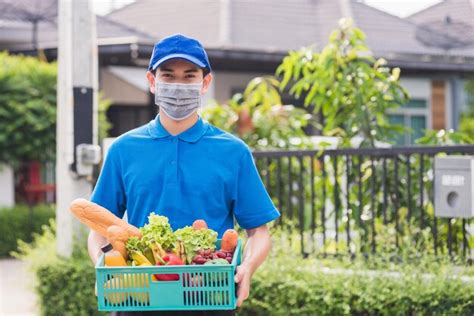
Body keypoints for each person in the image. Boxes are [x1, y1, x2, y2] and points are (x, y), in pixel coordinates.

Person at [88, 34, 280, 316]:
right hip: (139, 299)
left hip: (210, 298)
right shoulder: (123, 149)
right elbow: (99, 229)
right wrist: (100, 266)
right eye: (168, 75)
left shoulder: (233, 152)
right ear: (152, 81)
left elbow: (258, 231)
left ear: (205, 83)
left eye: (189, 76)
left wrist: (247, 268)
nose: (178, 85)